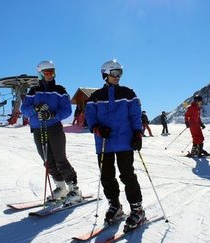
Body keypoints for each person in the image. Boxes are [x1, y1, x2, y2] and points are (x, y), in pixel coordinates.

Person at [85, 59, 145, 230]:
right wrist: (97, 129)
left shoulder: (128, 93)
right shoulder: (95, 97)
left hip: (125, 142)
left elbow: (135, 115)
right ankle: (115, 205)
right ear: (105, 75)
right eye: (114, 73)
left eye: (119, 73)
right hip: (104, 142)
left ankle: (137, 209)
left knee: (127, 175)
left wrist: (138, 133)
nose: (117, 77)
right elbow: (90, 117)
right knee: (107, 176)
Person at [21, 60, 82, 206]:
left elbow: (67, 110)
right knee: (47, 161)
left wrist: (51, 115)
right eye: (46, 72)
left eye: (52, 72)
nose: (50, 75)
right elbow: (24, 110)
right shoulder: (33, 91)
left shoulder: (60, 90)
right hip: (38, 128)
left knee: (60, 159)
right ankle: (61, 187)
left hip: (54, 128)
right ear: (40, 74)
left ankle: (74, 189)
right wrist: (36, 109)